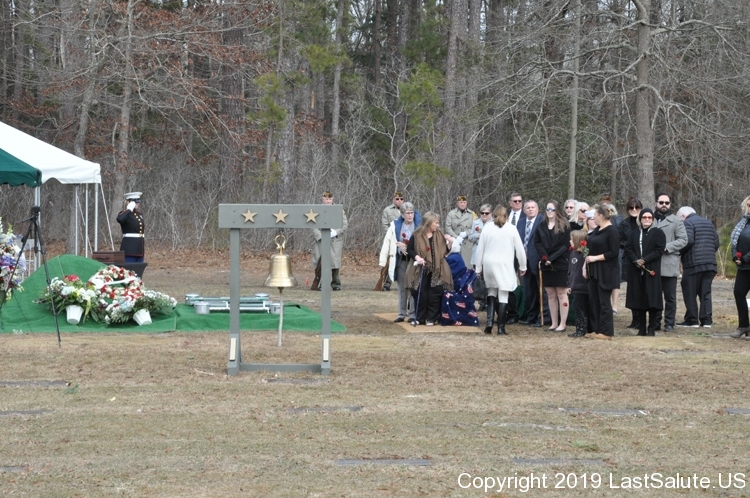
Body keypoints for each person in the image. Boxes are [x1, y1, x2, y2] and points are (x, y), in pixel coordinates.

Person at [475, 205, 527, 335]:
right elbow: (520, 250)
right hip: (504, 264)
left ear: (493, 215)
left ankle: (489, 322)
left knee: (491, 292)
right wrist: (523, 266)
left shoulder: (487, 228)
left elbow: (480, 249)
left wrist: (478, 268)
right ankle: (500, 327)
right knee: (503, 294)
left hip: (489, 263)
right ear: (506, 216)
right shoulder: (511, 228)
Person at [405, 212, 454, 326]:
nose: (438, 225)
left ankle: (431, 318)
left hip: (437, 268)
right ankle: (420, 318)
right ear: (428, 223)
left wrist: (450, 243)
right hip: (420, 268)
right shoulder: (417, 235)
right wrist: (417, 257)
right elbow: (410, 249)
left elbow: (444, 251)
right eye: (436, 223)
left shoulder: (439, 234)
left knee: (435, 293)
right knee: (420, 292)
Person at [624, 208, 666, 336]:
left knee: (651, 299)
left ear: (652, 219)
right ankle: (641, 328)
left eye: (649, 217)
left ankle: (652, 327)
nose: (647, 219)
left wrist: (645, 260)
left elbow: (659, 250)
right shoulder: (634, 233)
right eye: (644, 217)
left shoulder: (658, 233)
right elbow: (628, 248)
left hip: (651, 268)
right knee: (639, 299)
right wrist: (636, 260)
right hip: (636, 269)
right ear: (640, 219)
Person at [676, 206, 719, 328]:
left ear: (683, 216)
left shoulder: (687, 223)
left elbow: (688, 241)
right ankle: (706, 320)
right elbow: (716, 243)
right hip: (710, 264)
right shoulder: (709, 223)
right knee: (705, 292)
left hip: (693, 264)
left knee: (689, 291)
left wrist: (678, 252)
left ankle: (692, 319)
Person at [379, 203, 421, 323]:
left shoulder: (419, 225)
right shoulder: (396, 225)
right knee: (402, 288)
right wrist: (383, 261)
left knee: (413, 287)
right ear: (402, 214)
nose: (410, 215)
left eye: (412, 213)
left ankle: (412, 314)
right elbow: (388, 242)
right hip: (401, 260)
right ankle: (402, 313)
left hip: (414, 261)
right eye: (407, 213)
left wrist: (408, 247)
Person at [584, 203, 621, 339]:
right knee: (594, 300)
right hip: (594, 270)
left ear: (601, 215)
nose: (593, 217)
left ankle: (606, 331)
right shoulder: (597, 230)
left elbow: (613, 252)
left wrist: (595, 258)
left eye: (594, 215)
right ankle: (595, 329)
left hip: (606, 271)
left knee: (604, 302)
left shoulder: (612, 231)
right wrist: (586, 264)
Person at [534, 200, 571, 332]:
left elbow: (564, 245)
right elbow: (537, 243)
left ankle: (563, 323)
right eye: (548, 209)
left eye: (552, 209)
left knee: (561, 293)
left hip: (560, 263)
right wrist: (545, 257)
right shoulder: (541, 226)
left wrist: (552, 258)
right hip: (546, 264)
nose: (549, 212)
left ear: (557, 211)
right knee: (550, 294)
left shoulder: (564, 225)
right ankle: (554, 322)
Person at [653, 193, 688, 332]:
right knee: (654, 296)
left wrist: (666, 247)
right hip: (652, 263)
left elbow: (683, 240)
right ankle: (655, 322)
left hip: (669, 262)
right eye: (661, 202)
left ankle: (669, 323)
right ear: (656, 203)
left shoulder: (676, 221)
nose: (664, 205)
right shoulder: (649, 219)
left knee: (670, 297)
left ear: (670, 204)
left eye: (666, 203)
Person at [518, 200, 549, 327]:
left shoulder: (542, 221)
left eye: (533, 207)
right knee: (529, 290)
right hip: (524, 262)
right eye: (528, 208)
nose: (530, 209)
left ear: (537, 209)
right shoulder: (520, 222)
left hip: (538, 260)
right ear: (524, 210)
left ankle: (544, 318)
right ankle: (531, 316)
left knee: (542, 290)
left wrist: (543, 258)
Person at [313, 191, 347, 291]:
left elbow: (344, 224)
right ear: (322, 199)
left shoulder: (339, 210)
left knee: (335, 263)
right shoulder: (316, 210)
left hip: (335, 240)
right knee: (321, 262)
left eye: (330, 199)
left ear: (333, 199)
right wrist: (320, 236)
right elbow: (313, 224)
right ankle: (321, 283)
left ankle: (336, 284)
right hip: (321, 240)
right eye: (326, 199)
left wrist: (335, 232)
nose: (328, 201)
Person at [619, 196, 643, 329]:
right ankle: (635, 319)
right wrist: (630, 247)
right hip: (629, 260)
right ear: (627, 209)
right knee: (632, 291)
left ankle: (643, 319)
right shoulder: (624, 224)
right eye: (631, 207)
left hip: (644, 259)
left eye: (637, 207)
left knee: (643, 290)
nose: (634, 210)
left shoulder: (645, 221)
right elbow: (620, 241)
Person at [730, 195, 750, 338]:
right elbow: (734, 241)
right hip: (743, 268)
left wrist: (744, 258)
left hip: (746, 262)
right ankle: (743, 325)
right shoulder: (742, 222)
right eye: (749, 205)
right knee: (738, 293)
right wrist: (735, 256)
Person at [380, 191, 406, 291]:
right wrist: (392, 237)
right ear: (393, 199)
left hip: (405, 241)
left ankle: (405, 283)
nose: (399, 201)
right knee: (389, 262)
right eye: (397, 199)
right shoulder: (387, 210)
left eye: (401, 199)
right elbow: (385, 225)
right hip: (392, 240)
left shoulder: (407, 210)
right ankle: (386, 284)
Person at [506, 193, 525, 324]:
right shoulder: (505, 216)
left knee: (523, 283)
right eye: (515, 201)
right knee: (509, 284)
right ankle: (510, 312)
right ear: (510, 203)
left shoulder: (526, 215)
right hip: (507, 254)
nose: (518, 203)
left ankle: (524, 311)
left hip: (523, 253)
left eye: (520, 201)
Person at [468, 204, 492, 311]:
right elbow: (470, 237)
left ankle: (488, 301)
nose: (484, 215)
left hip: (488, 253)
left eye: (486, 213)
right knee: (478, 278)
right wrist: (478, 235)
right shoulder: (476, 223)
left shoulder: (493, 223)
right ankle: (481, 301)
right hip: (477, 253)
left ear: (491, 214)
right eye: (482, 213)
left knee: (488, 278)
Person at [567, 230, 589, 338]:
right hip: (575, 285)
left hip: (583, 286)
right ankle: (581, 328)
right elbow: (570, 271)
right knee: (578, 306)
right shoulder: (573, 253)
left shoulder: (585, 254)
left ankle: (581, 329)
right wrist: (569, 285)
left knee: (576, 305)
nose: (569, 241)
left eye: (571, 239)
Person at [445, 195, 477, 268]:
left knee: (467, 265)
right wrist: (456, 237)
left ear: (467, 203)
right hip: (454, 242)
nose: (462, 204)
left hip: (467, 242)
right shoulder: (451, 213)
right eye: (461, 202)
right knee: (455, 265)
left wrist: (467, 233)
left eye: (464, 202)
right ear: (457, 203)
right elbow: (447, 227)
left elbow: (476, 228)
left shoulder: (472, 214)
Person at [117, 192, 145, 263]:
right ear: (128, 202)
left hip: (139, 248)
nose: (137, 204)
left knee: (139, 268)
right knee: (129, 268)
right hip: (129, 248)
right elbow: (120, 219)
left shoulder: (139, 214)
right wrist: (129, 209)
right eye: (135, 202)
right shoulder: (124, 214)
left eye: (138, 202)